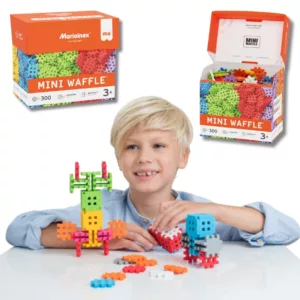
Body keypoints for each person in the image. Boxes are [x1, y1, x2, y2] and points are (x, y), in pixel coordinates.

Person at [5, 96, 300, 252]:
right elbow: (17, 230)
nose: (144, 157)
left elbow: (287, 231)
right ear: (119, 160)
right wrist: (96, 236)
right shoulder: (100, 208)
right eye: (132, 147)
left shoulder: (199, 213)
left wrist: (218, 210)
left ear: (183, 157)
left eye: (158, 145)